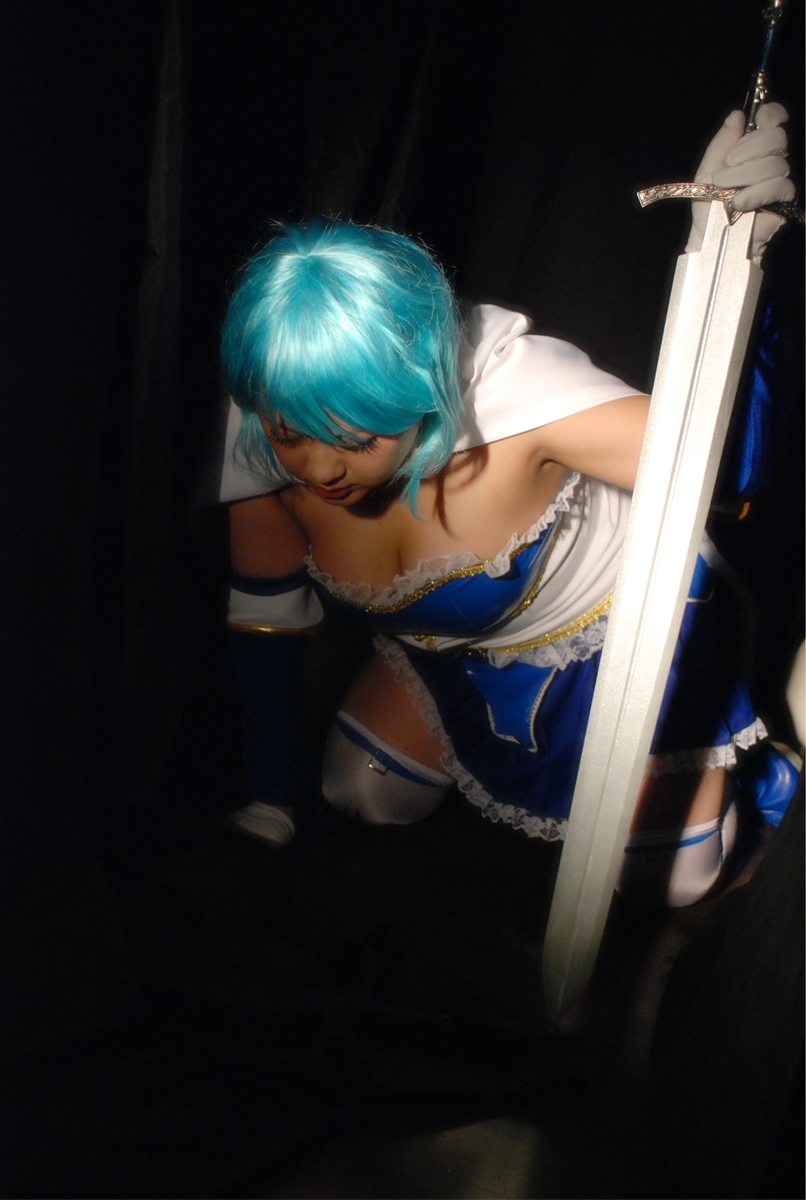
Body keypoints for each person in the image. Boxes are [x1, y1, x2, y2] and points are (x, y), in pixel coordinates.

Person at [216, 105, 797, 906]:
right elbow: (265, 629)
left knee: (670, 881)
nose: (319, 469)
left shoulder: (517, 403)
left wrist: (736, 272)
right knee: (360, 792)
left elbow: (725, 473)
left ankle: (769, 774)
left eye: (357, 437)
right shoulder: (267, 417)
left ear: (422, 393)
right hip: (457, 657)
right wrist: (270, 796)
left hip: (611, 639)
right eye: (291, 432)